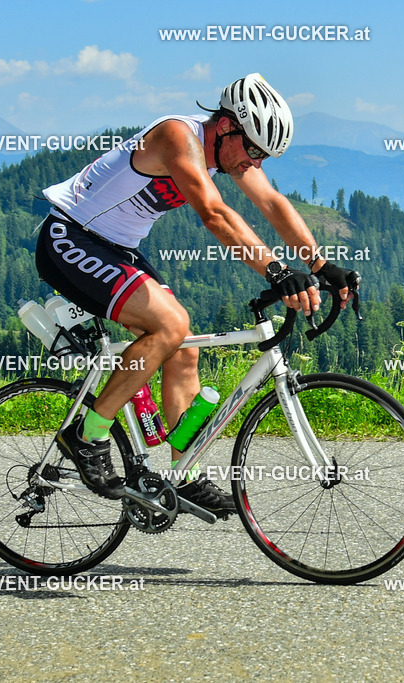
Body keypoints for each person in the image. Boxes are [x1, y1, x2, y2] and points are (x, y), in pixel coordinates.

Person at [35, 73, 355, 518]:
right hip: (70, 237)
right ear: (225, 127)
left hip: (116, 249)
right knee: (171, 325)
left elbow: (273, 205)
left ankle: (181, 477)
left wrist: (321, 266)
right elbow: (214, 212)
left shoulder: (229, 150)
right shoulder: (176, 136)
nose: (254, 162)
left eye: (263, 155)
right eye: (253, 150)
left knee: (182, 350)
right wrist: (279, 272)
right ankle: (87, 435)